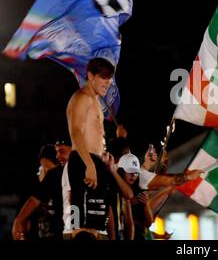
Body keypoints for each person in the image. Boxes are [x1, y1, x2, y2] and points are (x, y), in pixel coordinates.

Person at [63, 57, 132, 240]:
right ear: (91, 76)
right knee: (83, 227)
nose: (108, 82)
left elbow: (93, 135)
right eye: (104, 78)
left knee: (97, 223)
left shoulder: (95, 101)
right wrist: (89, 165)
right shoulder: (81, 97)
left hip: (95, 161)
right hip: (84, 162)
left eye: (109, 78)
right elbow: (76, 132)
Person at [12, 145, 64, 240]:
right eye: (42, 168)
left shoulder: (64, 189)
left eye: (48, 170)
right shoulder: (32, 190)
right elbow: (20, 224)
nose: (45, 174)